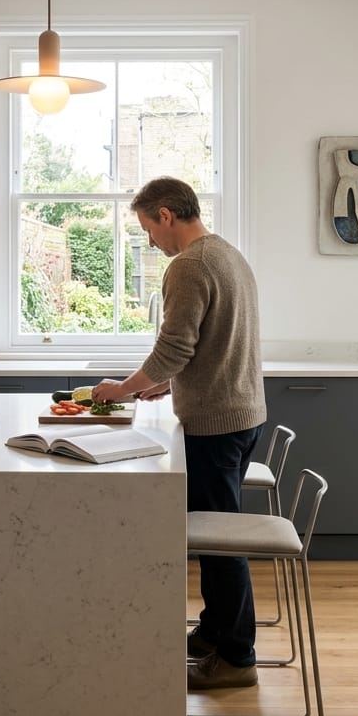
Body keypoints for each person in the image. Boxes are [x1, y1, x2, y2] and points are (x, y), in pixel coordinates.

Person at [91, 176, 267, 689]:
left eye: (148, 229)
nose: (150, 241)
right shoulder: (228, 254)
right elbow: (217, 343)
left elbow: (174, 348)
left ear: (166, 215)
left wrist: (122, 389)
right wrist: (167, 386)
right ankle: (215, 631)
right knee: (219, 533)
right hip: (242, 413)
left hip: (216, 424)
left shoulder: (188, 265)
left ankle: (237, 658)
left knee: (218, 543)